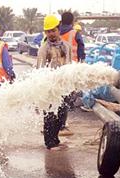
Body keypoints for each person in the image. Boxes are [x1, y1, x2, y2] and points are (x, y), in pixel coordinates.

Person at [36, 15, 73, 150]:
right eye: (48, 31)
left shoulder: (67, 47)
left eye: (53, 30)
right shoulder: (44, 49)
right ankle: (49, 143)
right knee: (50, 115)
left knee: (62, 114)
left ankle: (55, 139)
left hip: (64, 86)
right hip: (49, 87)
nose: (51, 34)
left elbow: (70, 64)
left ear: (58, 29)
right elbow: (40, 69)